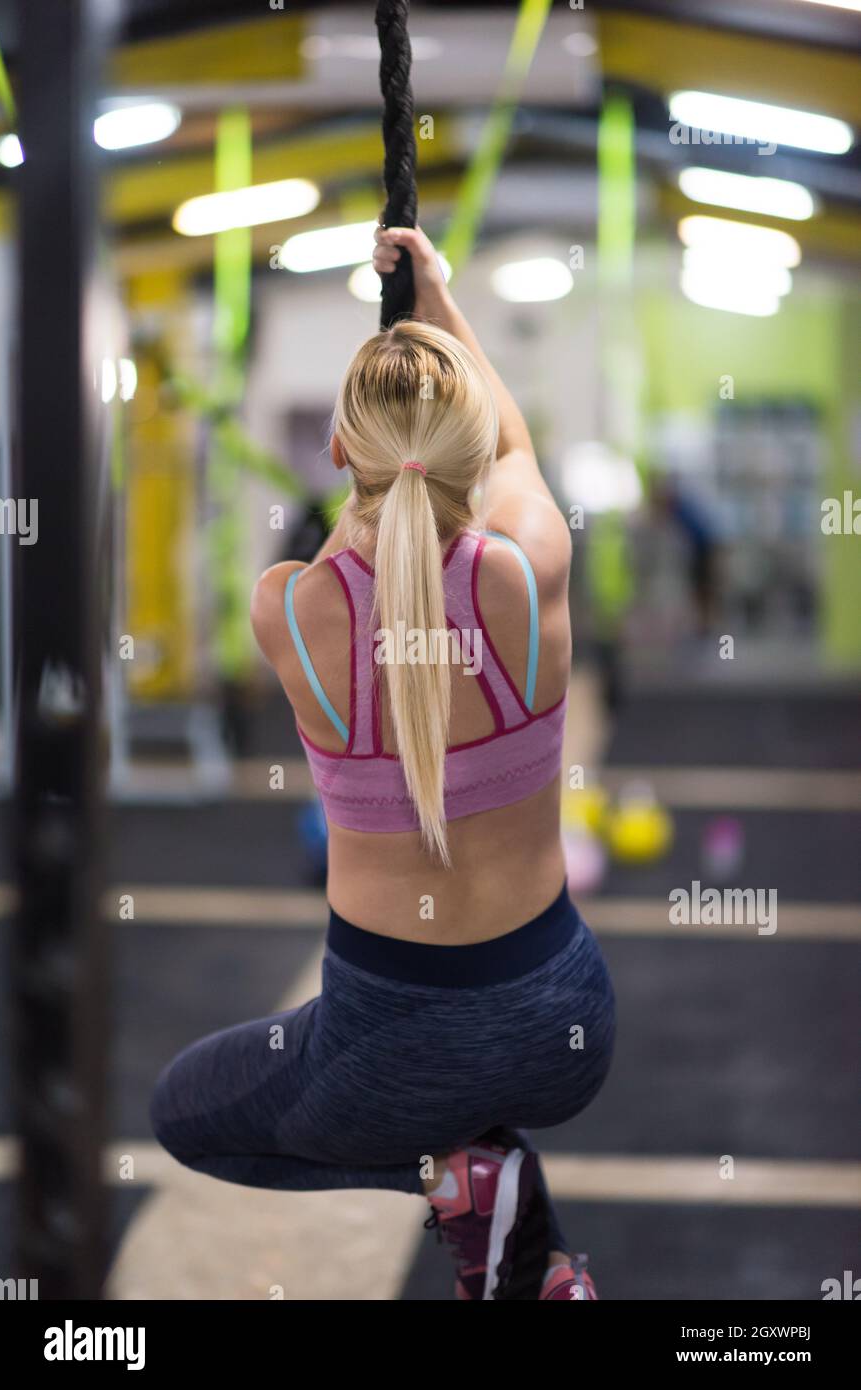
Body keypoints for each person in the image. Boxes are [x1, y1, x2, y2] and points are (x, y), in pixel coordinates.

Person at [150, 225, 617, 1301]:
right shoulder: (527, 567)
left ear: (336, 455)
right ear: (461, 451)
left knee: (187, 1110)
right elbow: (513, 452)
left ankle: (455, 1174)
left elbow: (364, 549)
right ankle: (493, 1196)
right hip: (563, 1028)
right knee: (462, 1104)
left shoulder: (289, 606)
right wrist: (440, 298)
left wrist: (374, 488)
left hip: (383, 1052)